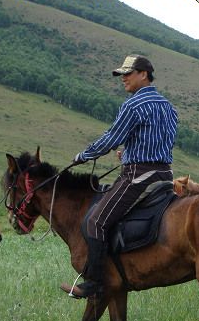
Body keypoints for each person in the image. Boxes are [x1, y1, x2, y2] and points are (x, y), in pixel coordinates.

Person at [60, 55, 178, 298]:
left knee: (95, 221)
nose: (123, 78)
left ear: (144, 74)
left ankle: (95, 282)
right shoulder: (169, 107)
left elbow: (112, 137)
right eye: (121, 74)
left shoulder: (134, 105)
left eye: (128, 73)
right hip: (165, 175)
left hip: (139, 177)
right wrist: (128, 153)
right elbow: (159, 142)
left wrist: (84, 155)